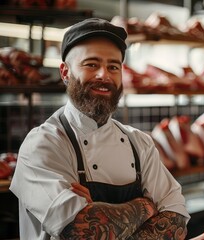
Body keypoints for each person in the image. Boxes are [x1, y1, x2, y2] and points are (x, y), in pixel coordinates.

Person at [9, 18, 190, 239]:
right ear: (65, 73)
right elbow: (82, 230)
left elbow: (177, 220)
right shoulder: (44, 143)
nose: (104, 75)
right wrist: (147, 206)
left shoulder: (139, 143)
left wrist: (96, 211)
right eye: (91, 64)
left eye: (113, 66)